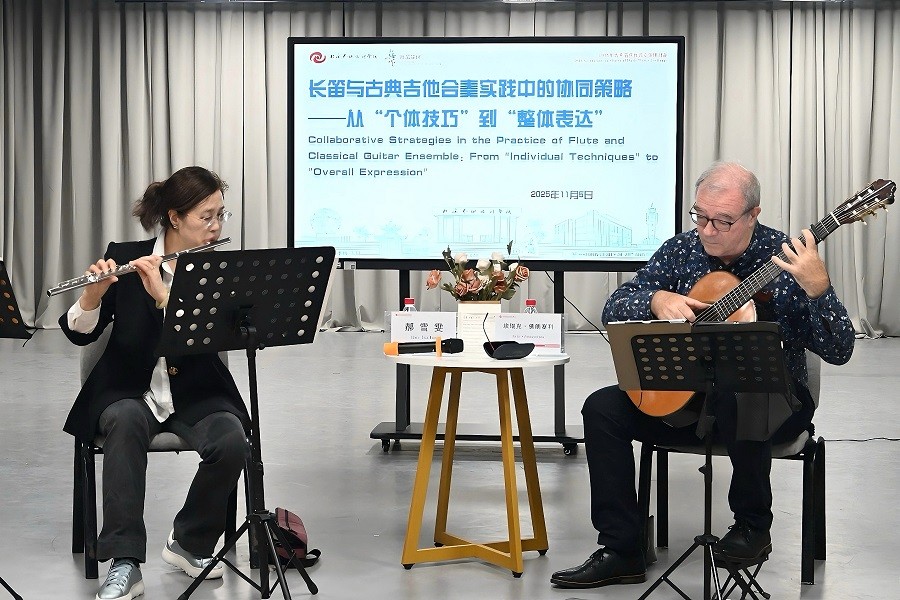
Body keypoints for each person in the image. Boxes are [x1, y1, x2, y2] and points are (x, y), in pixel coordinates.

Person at [550, 161, 855, 589]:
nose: (708, 230)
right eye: (700, 216)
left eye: (723, 221)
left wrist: (820, 288)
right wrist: (655, 299)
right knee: (602, 408)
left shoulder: (788, 261)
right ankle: (623, 549)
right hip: (689, 404)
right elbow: (614, 306)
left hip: (773, 404)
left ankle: (752, 527)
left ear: (753, 214)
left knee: (740, 392)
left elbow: (840, 350)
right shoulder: (681, 250)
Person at [60, 166, 250, 600]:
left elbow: (221, 339)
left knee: (232, 441)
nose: (216, 226)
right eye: (206, 216)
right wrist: (91, 296)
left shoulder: (217, 268)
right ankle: (125, 563)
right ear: (174, 218)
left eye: (221, 215)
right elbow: (80, 334)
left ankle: (189, 541)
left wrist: (166, 299)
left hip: (197, 391)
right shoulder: (125, 255)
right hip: (129, 390)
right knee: (125, 423)